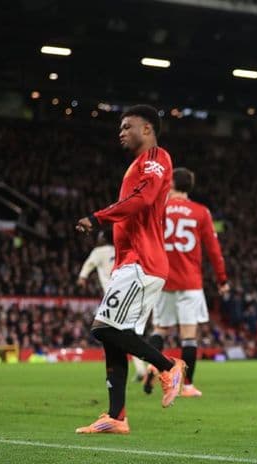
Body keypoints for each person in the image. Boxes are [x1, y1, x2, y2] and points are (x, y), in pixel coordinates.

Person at [73, 104, 186, 434]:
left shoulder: (155, 157)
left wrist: (98, 217)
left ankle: (168, 366)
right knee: (114, 340)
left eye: (127, 126)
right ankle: (116, 417)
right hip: (131, 261)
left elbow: (145, 198)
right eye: (120, 128)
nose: (120, 132)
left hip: (142, 260)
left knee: (103, 328)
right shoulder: (138, 164)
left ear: (147, 129)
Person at [143, 168, 228, 398]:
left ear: (170, 185)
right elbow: (213, 250)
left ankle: (153, 365)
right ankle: (187, 385)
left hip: (163, 278)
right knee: (188, 336)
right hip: (190, 281)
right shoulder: (201, 212)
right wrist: (222, 279)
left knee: (160, 329)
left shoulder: (159, 208)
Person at [78, 231, 150, 379]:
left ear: (102, 239)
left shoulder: (98, 251)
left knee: (107, 331)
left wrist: (82, 277)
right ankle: (140, 368)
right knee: (125, 331)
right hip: (130, 293)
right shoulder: (120, 249)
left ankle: (151, 366)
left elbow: (88, 265)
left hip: (113, 298)